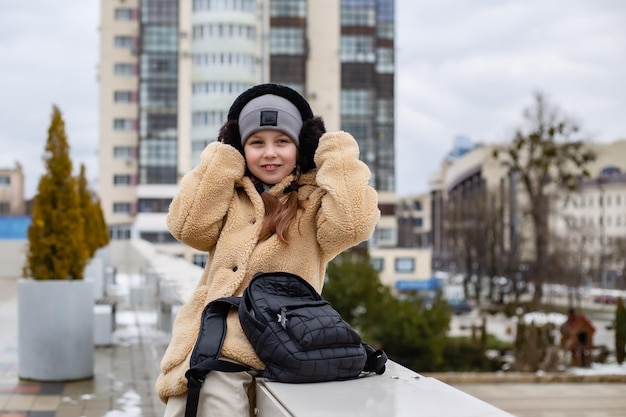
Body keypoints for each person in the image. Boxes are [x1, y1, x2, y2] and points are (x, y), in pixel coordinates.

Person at [156, 83, 380, 417]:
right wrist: (222, 156)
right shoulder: (232, 196)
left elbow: (352, 225)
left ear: (300, 147)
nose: (270, 153)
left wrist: (335, 151)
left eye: (283, 141)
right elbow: (187, 227)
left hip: (284, 341)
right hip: (213, 344)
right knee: (201, 393)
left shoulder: (313, 201)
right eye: (256, 143)